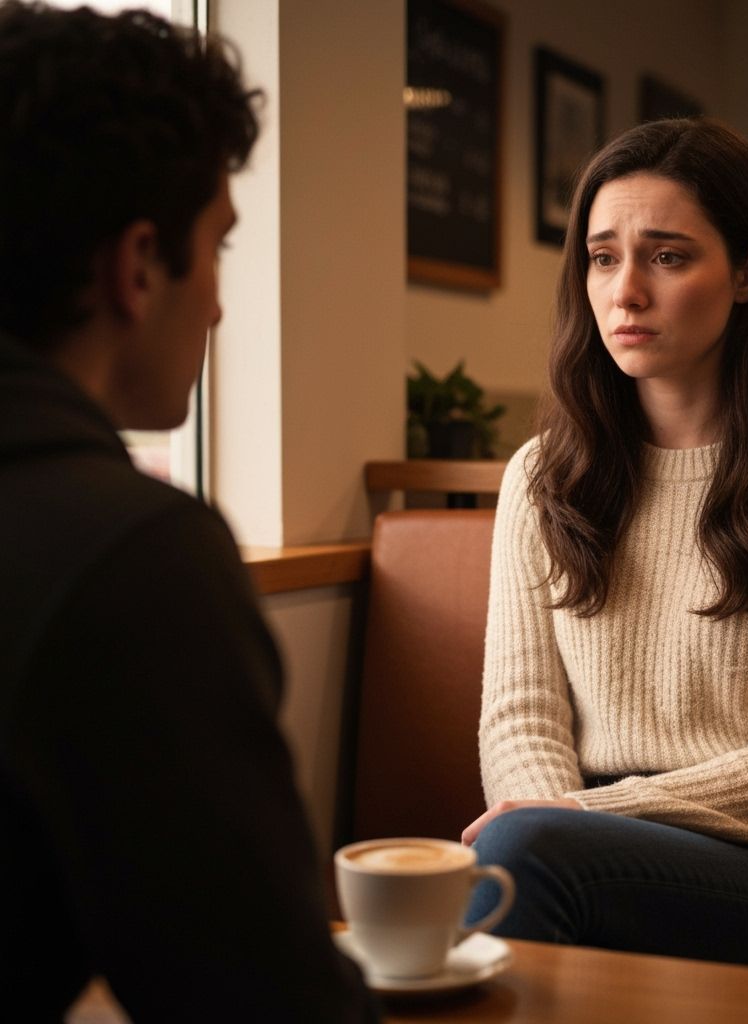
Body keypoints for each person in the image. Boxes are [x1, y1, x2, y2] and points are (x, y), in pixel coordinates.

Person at [0, 4, 377, 1021]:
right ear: (136, 266)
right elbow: (264, 999)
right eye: (217, 247)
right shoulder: (128, 556)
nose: (215, 301)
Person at [462, 118, 748, 976]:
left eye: (666, 257)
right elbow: (520, 716)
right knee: (521, 862)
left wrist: (586, 820)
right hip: (571, 846)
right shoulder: (542, 474)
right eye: (601, 257)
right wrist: (561, 820)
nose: (625, 291)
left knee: (524, 864)